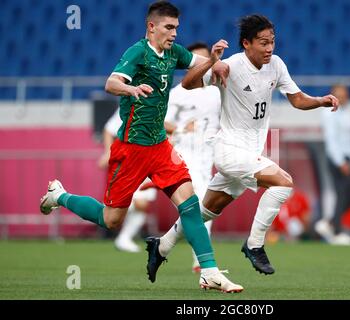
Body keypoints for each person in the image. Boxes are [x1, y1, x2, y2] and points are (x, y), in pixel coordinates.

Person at [39, 1, 242, 293]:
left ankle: (209, 271)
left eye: (176, 28)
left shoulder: (173, 52)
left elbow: (198, 64)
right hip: (131, 150)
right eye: (169, 27)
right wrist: (131, 88)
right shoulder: (138, 52)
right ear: (152, 26)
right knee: (111, 219)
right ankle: (59, 195)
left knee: (190, 204)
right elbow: (111, 83)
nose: (174, 33)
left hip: (160, 147)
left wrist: (215, 60)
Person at [146, 14, 339, 278]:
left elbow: (296, 99)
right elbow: (189, 84)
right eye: (263, 43)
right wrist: (213, 63)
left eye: (272, 42)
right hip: (228, 150)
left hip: (250, 152)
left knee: (204, 212)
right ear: (246, 43)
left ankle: (161, 246)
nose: (269, 48)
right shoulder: (230, 66)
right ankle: (254, 244)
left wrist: (320, 101)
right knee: (283, 182)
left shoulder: (276, 65)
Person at [164, 42, 221, 273]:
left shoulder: (216, 91)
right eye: (197, 60)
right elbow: (161, 122)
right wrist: (179, 129)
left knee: (203, 206)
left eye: (207, 60)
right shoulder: (176, 94)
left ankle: (162, 245)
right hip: (184, 155)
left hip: (209, 155)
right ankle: (202, 261)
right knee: (200, 204)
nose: (203, 65)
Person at [98, 108, 158, 253]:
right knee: (136, 203)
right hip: (131, 162)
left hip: (151, 160)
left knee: (142, 205)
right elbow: (109, 129)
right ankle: (100, 212)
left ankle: (124, 238)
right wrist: (107, 152)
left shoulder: (164, 103)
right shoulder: (133, 104)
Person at [315, 84, 350, 245]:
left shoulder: (347, 113)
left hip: (348, 158)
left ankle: (328, 223)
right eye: (339, 95)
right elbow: (331, 140)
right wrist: (340, 161)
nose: (343, 97)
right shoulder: (328, 112)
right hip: (337, 159)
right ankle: (337, 231)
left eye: (345, 94)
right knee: (341, 194)